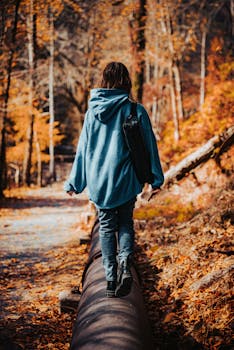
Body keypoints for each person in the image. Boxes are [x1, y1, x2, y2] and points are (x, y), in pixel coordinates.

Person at [64, 62, 164, 298]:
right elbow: (150, 146)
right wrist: (155, 178)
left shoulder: (92, 112)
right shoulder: (135, 110)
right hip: (127, 179)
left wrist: (75, 182)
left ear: (104, 82)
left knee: (107, 228)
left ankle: (110, 280)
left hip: (100, 180)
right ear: (126, 81)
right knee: (126, 223)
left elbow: (83, 149)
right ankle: (125, 265)